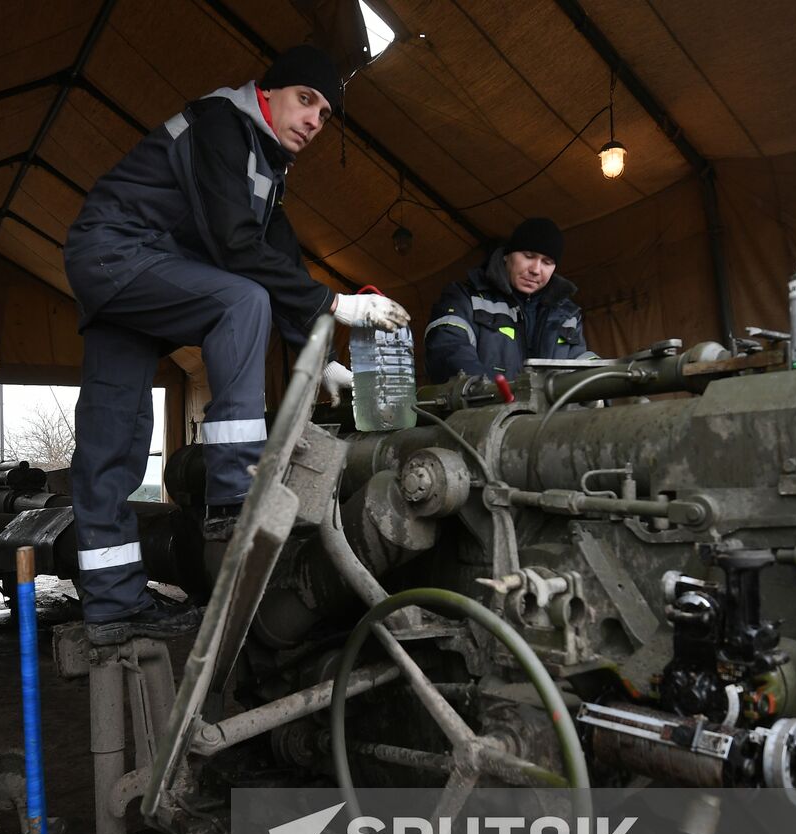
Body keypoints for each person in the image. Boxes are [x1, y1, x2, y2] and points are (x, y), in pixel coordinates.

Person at [64, 44, 411, 645]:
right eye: (306, 100)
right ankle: (231, 488)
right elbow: (235, 247)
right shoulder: (222, 125)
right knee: (240, 298)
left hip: (132, 281)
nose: (313, 120)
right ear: (268, 93)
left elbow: (280, 261)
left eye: (325, 113)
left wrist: (320, 355)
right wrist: (337, 305)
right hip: (117, 253)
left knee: (112, 438)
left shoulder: (269, 171)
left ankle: (111, 605)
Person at [424, 217, 593, 384]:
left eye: (547, 262)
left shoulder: (568, 316)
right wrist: (491, 390)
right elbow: (448, 348)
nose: (536, 269)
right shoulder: (465, 298)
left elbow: (584, 366)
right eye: (528, 256)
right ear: (506, 255)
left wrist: (609, 381)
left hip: (552, 412)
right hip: (486, 410)